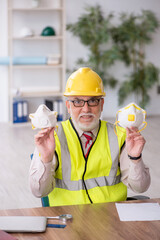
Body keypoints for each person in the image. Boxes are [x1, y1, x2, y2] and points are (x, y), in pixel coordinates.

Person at [29, 67, 150, 206]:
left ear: (101, 104)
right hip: (67, 219)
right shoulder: (51, 137)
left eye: (93, 101)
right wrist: (45, 158)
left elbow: (140, 187)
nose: (86, 109)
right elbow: (38, 192)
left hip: (112, 219)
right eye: (77, 101)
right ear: (68, 105)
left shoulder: (120, 136)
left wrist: (135, 158)